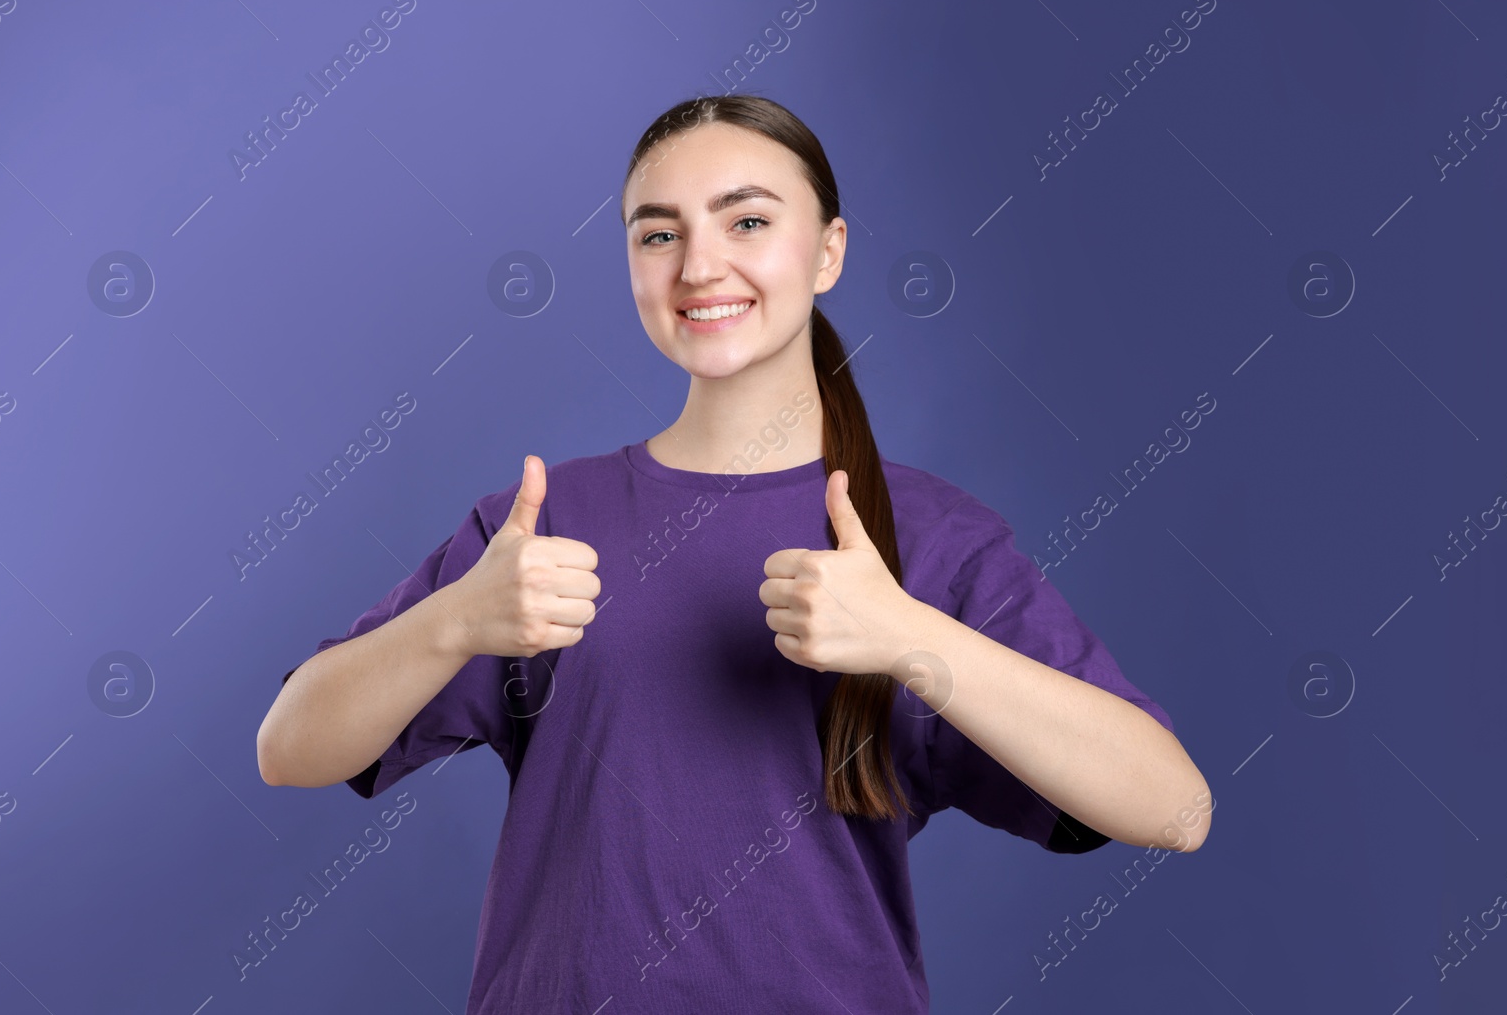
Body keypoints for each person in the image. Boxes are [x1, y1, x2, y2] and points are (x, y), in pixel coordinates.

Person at [256, 93, 1211, 1012]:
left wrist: (912, 638)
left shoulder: (925, 537)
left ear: (829, 251)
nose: (699, 266)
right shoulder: (539, 523)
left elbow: (1175, 808)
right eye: (659, 233)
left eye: (746, 221)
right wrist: (453, 619)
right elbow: (289, 747)